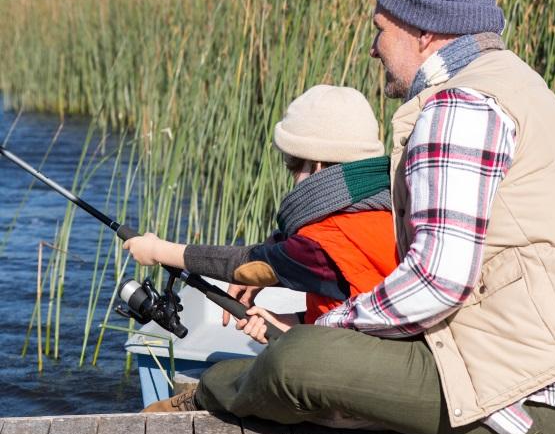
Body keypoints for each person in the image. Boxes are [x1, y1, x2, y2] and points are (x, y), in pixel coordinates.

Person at [146, 0, 555, 434]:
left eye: (380, 29)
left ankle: (210, 393)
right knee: (308, 344)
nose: (373, 48)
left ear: (425, 34)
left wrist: (328, 328)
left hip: (527, 396)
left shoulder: (457, 108)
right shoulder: (516, 81)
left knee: (298, 360)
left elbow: (439, 282)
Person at [124, 84, 397, 360]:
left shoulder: (327, 240)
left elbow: (246, 263)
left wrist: (157, 250)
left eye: (294, 168)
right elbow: (345, 295)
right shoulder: (384, 211)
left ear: (316, 166)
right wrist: (290, 322)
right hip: (365, 348)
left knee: (219, 381)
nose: (293, 182)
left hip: (361, 360)